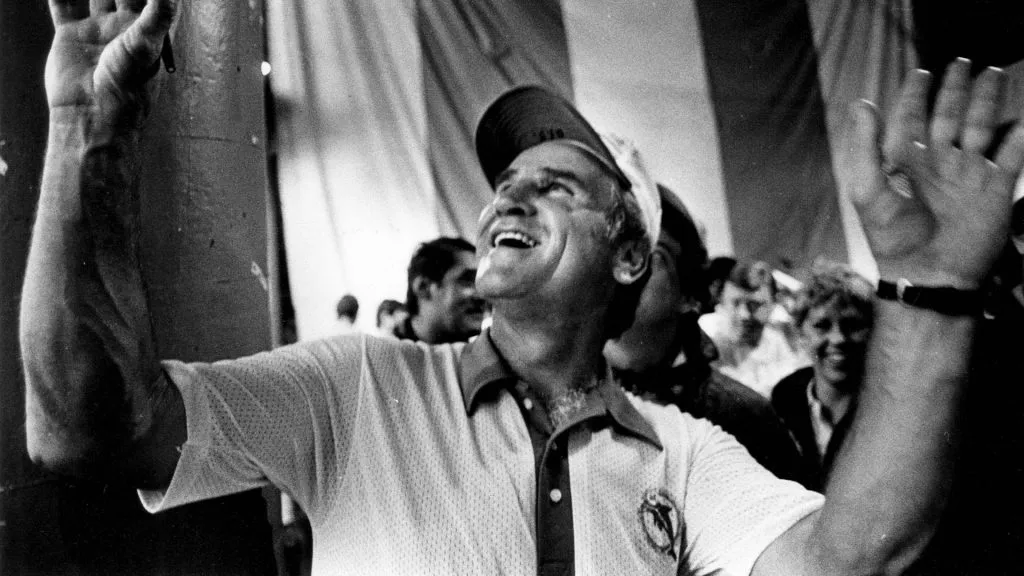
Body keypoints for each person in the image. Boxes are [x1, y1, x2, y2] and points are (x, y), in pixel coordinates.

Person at [21, 3, 1024, 573]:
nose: (509, 196)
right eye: (504, 183)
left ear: (630, 256)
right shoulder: (359, 388)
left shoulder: (685, 456)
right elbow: (84, 429)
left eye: (558, 186)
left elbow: (852, 558)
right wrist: (84, 129)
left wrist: (930, 288)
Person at [604, 184, 805, 483]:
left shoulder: (744, 417)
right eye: (608, 253)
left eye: (644, 255)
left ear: (690, 294)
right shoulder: (559, 404)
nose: (621, 272)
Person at [770, 262, 874, 491]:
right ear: (800, 333)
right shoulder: (786, 397)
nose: (838, 338)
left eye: (852, 325)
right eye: (822, 325)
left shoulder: (887, 402)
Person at [698, 260, 810, 397]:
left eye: (755, 305)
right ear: (722, 301)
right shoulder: (708, 345)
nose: (744, 314)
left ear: (773, 305)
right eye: (735, 303)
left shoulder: (789, 345)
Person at [393, 236, 486, 344]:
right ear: (423, 287)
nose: (483, 295)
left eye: (483, 282)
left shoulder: (480, 354)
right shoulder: (388, 356)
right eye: (468, 280)